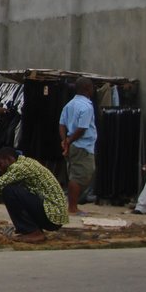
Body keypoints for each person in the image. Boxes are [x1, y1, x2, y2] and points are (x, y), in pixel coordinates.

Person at [59, 77, 96, 216]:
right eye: (92, 87)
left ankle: (73, 204)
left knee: (75, 173)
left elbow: (61, 124)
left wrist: (64, 140)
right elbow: (82, 128)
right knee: (81, 175)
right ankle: (73, 207)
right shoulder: (86, 106)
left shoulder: (70, 104)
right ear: (87, 88)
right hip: (82, 145)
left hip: (73, 145)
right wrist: (68, 141)